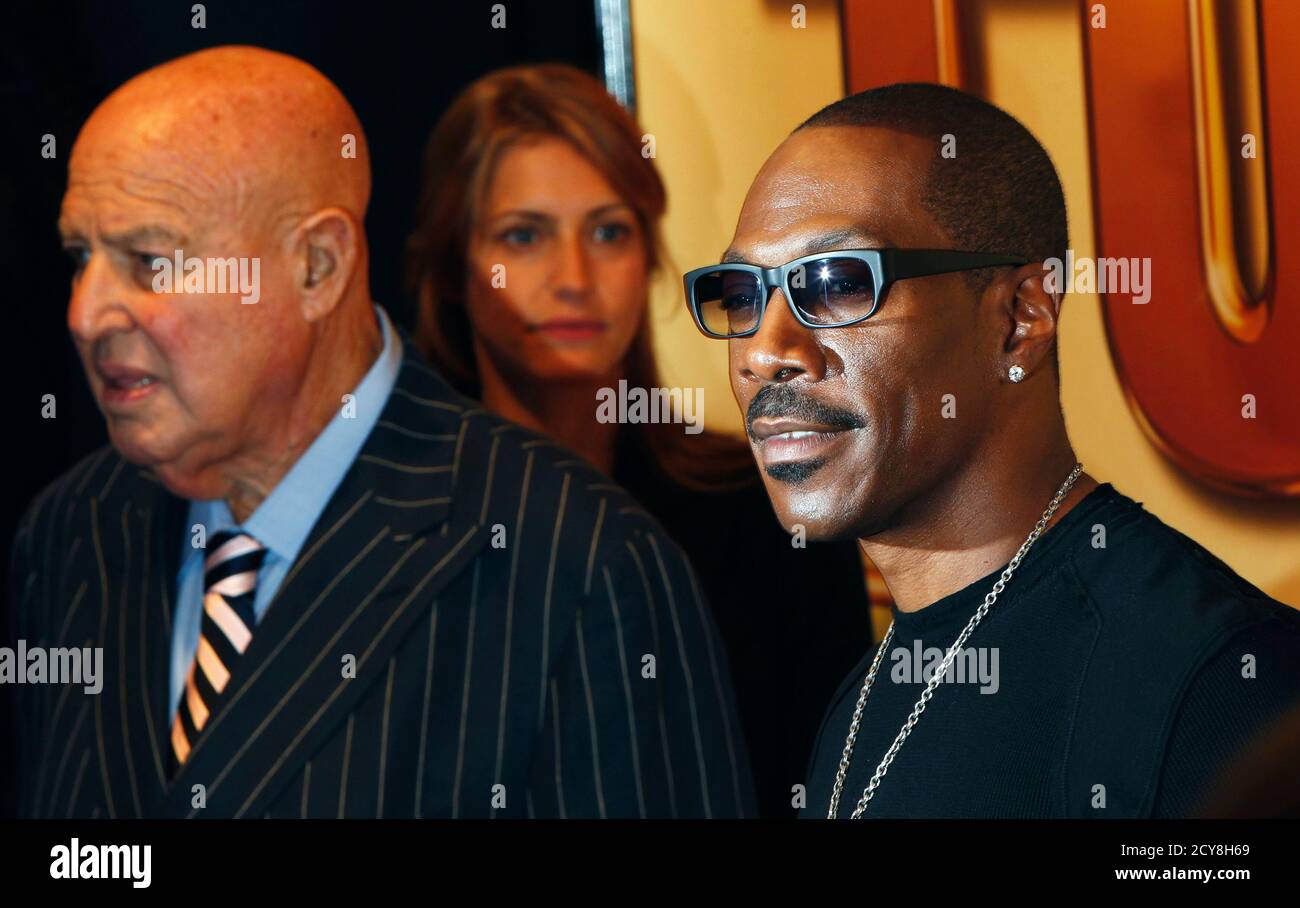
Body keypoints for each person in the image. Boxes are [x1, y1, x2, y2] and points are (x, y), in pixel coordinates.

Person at [9, 46, 752, 819]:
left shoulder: (578, 559)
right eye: (79, 256)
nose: (87, 314)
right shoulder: (73, 532)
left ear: (317, 269)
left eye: (149, 262)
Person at [682, 81, 1300, 818]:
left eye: (839, 283)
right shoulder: (862, 701)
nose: (764, 352)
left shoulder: (1223, 688)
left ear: (1020, 317)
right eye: (744, 295)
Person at [405, 63, 873, 817]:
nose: (574, 275)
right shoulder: (390, 516)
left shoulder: (764, 505)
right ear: (456, 266)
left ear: (648, 256)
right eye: (523, 235)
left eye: (609, 231)